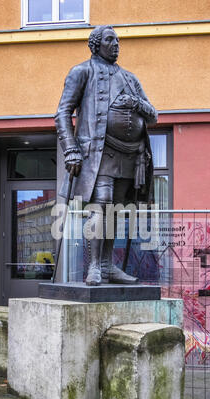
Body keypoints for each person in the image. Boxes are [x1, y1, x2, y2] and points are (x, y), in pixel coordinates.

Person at [55, 25, 158, 286]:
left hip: (130, 155)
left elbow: (153, 115)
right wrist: (70, 149)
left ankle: (107, 265)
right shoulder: (82, 72)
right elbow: (63, 113)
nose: (116, 45)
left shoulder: (130, 78)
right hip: (98, 153)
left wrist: (134, 103)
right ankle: (93, 268)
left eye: (117, 40)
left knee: (116, 210)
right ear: (95, 44)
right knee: (100, 205)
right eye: (110, 40)